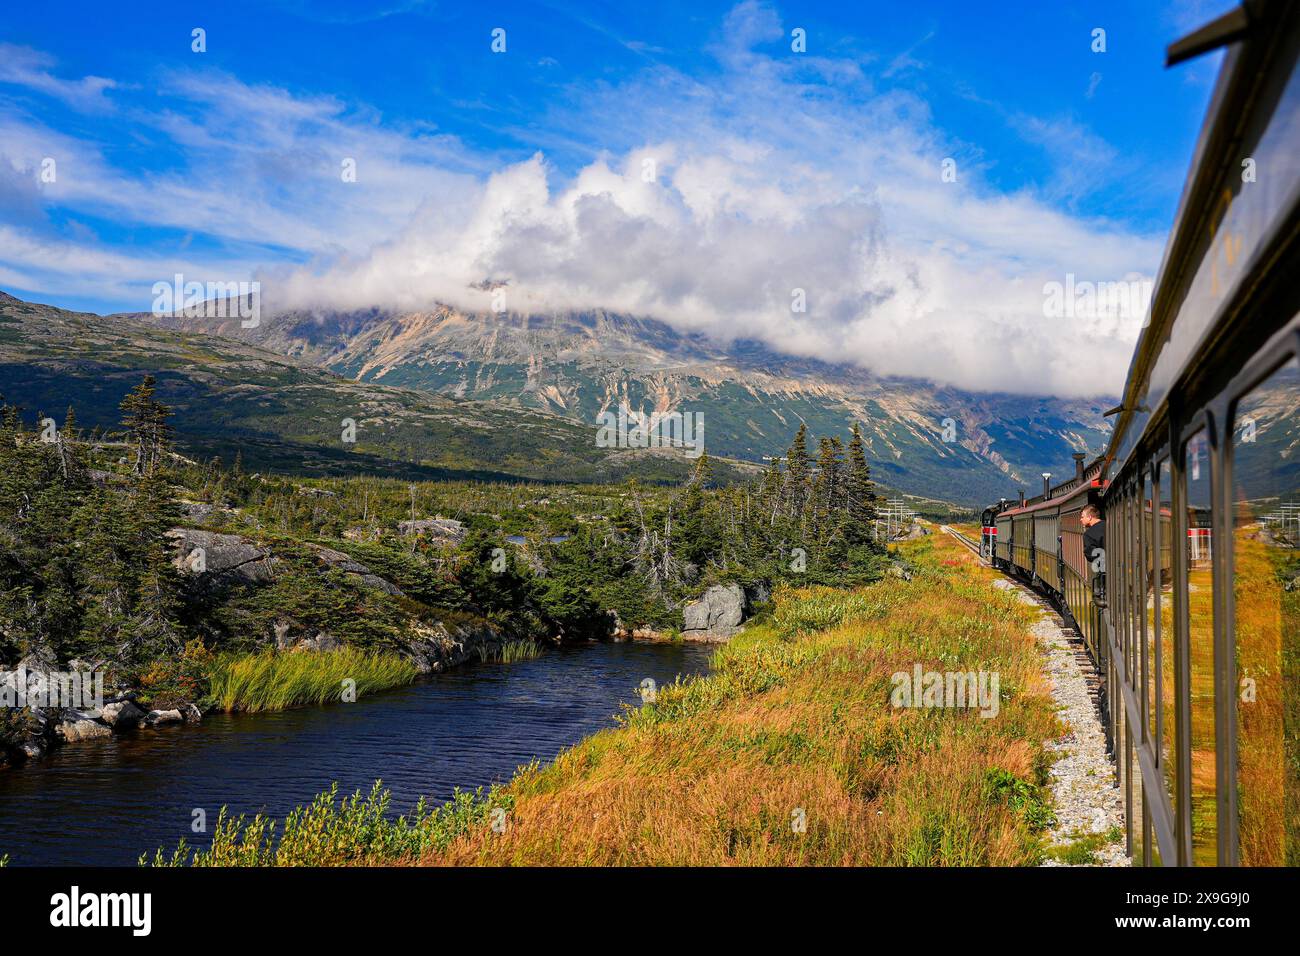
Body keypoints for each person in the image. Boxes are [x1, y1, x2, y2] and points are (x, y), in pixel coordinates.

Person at [1081, 504, 1106, 607]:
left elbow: (1091, 556)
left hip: (1104, 577)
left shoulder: (1089, 534)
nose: (1080, 519)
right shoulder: (1111, 525)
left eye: (1082, 516)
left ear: (1090, 517)